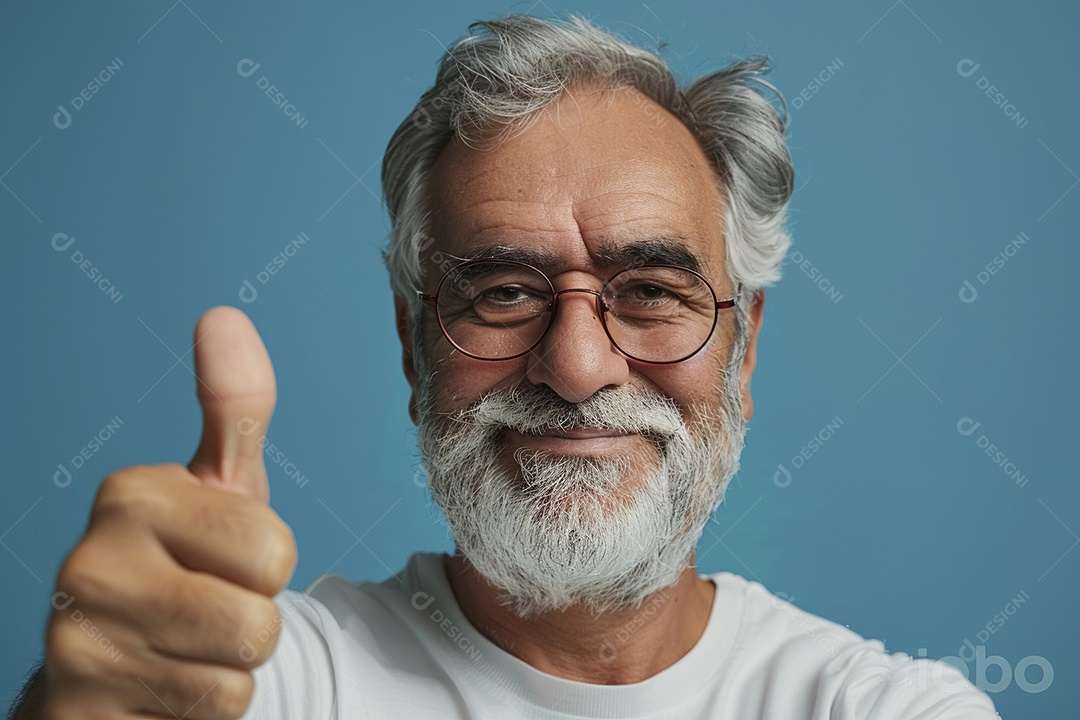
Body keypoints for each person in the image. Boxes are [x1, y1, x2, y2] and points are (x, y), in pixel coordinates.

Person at [12, 14, 998, 720]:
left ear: (744, 351)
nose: (575, 367)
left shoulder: (886, 708)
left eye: (650, 291)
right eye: (503, 294)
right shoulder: (259, 683)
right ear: (413, 346)